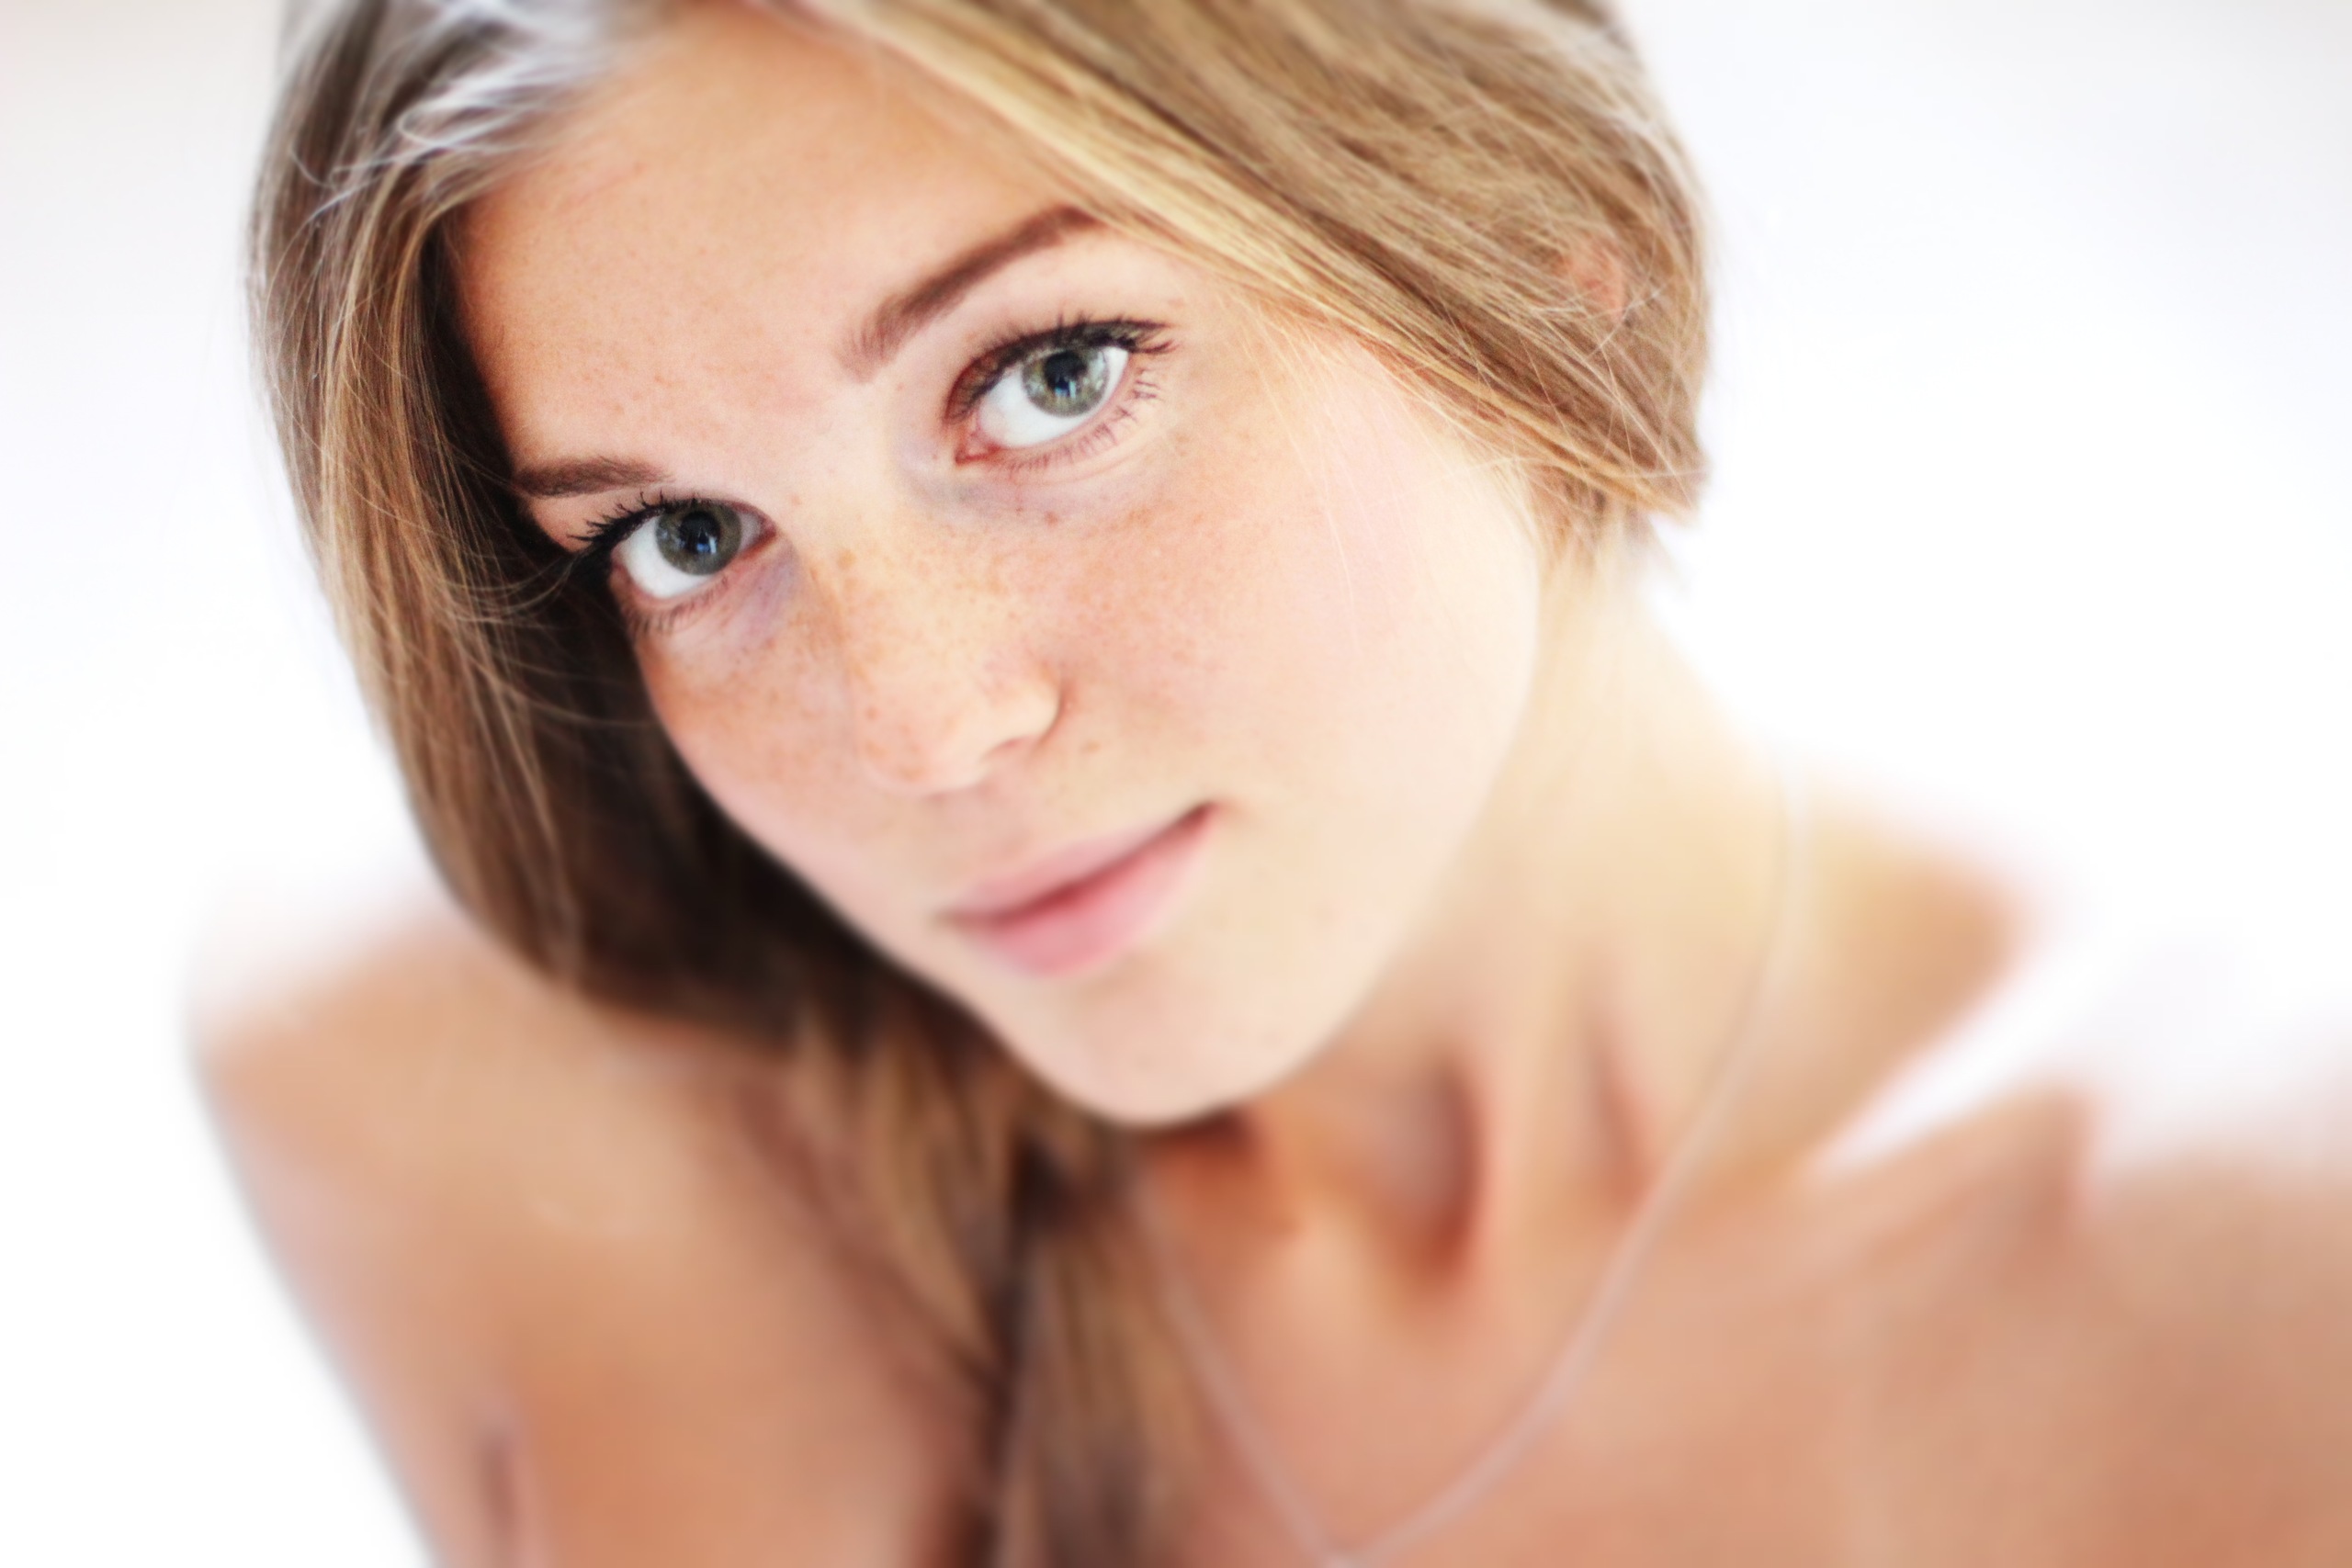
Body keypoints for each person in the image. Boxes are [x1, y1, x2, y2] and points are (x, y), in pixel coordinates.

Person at [199, 1, 2352, 1564]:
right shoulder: (514, 1125)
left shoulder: (2252, 1288)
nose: (920, 726)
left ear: (1521, 239)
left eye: (1050, 377)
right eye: (686, 537)